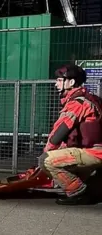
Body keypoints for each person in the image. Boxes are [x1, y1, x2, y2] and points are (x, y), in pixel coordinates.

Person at [39, 64, 102, 205]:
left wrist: (47, 151)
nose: (56, 84)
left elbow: (60, 130)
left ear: (71, 82)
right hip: (95, 151)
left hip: (93, 152)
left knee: (46, 160)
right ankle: (91, 187)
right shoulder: (91, 98)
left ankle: (77, 192)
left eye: (60, 80)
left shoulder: (77, 103)